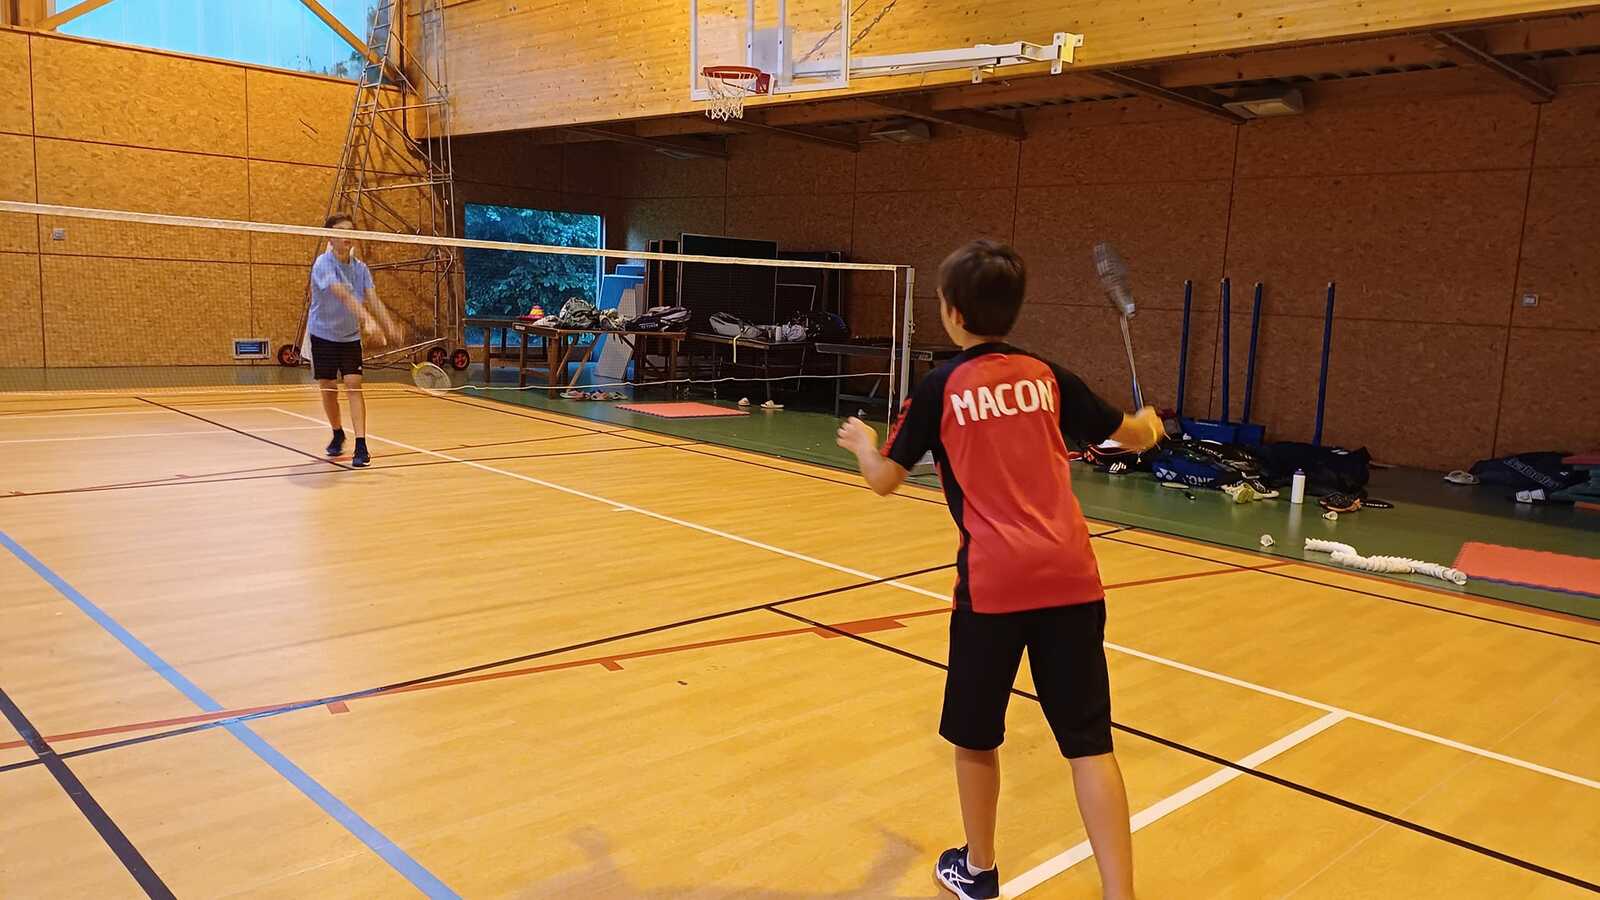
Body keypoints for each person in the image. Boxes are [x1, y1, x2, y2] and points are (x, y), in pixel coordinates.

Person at [835, 240, 1163, 900]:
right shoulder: (1047, 375)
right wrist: (1149, 427)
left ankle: (978, 870)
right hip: (1073, 579)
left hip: (993, 588)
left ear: (953, 313)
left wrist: (865, 446)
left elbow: (886, 480)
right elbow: (1126, 434)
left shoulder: (940, 386)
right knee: (1089, 745)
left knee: (976, 736)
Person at [306, 212, 398, 468]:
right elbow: (343, 295)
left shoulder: (361, 269)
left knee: (353, 384)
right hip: (323, 334)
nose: (347, 235)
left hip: (349, 337)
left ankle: (361, 444)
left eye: (351, 230)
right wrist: (367, 321)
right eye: (341, 231)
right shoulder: (323, 264)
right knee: (328, 388)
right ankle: (337, 432)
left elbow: (373, 299)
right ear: (330, 237)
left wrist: (389, 326)